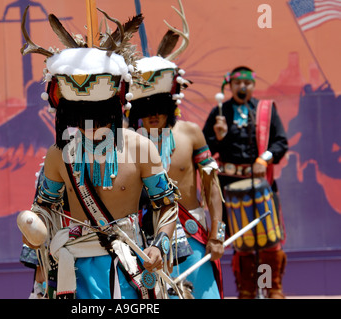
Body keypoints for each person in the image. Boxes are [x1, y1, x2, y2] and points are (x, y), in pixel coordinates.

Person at [18, 8, 181, 299]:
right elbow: (44, 206)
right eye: (80, 116)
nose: (91, 123)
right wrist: (34, 226)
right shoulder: (59, 154)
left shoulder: (141, 147)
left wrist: (160, 245)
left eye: (100, 113)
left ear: (116, 107)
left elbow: (166, 205)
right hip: (75, 271)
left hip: (129, 265)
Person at [126, 52, 226, 299]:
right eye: (146, 108)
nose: (154, 115)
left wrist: (216, 234)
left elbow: (212, 186)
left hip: (192, 233)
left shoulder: (190, 133)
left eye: (160, 108)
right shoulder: (126, 142)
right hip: (146, 239)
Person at [202, 66, 288, 299]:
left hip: (261, 184)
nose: (242, 87)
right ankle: (248, 290)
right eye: (238, 83)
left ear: (253, 85)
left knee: (268, 243)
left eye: (247, 83)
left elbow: (280, 142)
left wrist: (264, 158)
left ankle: (271, 289)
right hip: (231, 187)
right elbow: (204, 150)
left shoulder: (265, 111)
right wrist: (217, 138)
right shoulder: (220, 112)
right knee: (244, 243)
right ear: (230, 86)